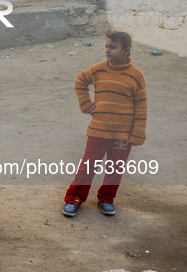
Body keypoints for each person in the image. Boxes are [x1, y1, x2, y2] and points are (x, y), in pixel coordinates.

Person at [63, 31, 147, 217]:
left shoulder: (136, 76)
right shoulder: (99, 70)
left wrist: (138, 133)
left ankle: (106, 198)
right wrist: (86, 104)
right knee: (88, 166)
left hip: (123, 135)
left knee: (116, 168)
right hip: (98, 130)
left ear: (126, 51)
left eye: (113, 47)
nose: (108, 50)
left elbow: (141, 106)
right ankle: (74, 198)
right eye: (107, 46)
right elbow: (80, 81)